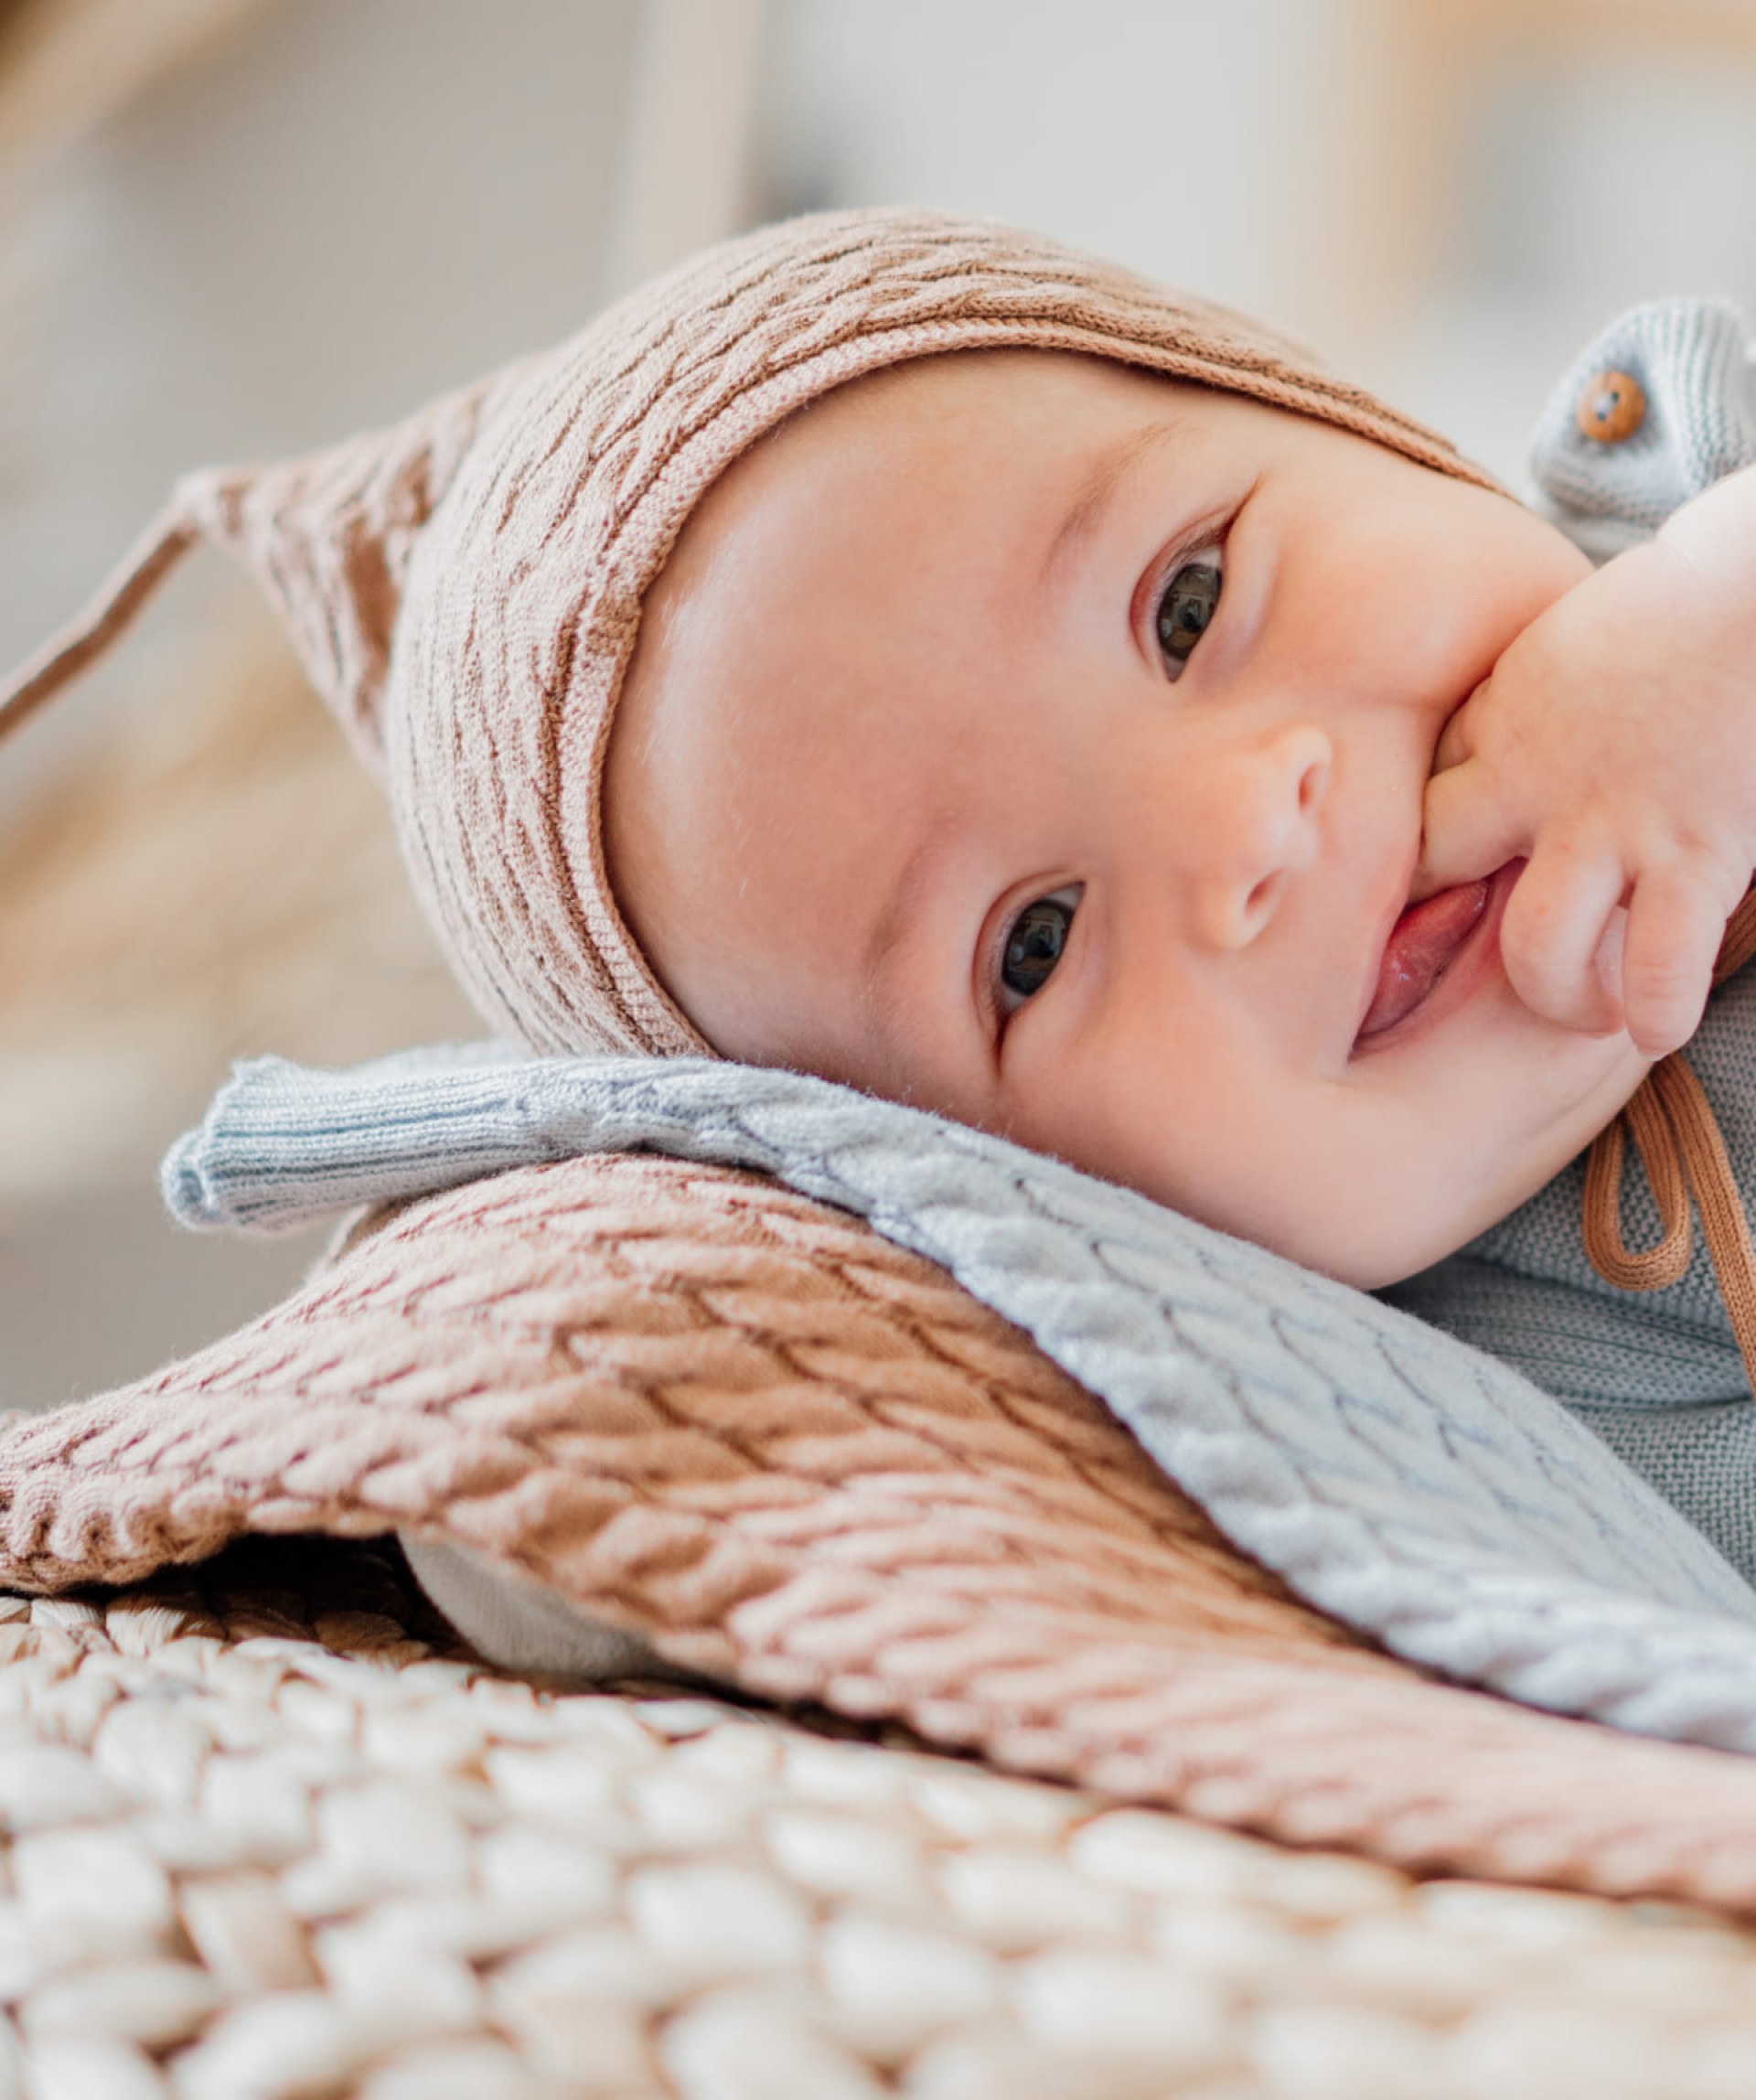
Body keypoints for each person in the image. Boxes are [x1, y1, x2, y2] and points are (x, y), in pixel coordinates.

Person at [3, 209, 1755, 1555]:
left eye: (1191, 603)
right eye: (1037, 947)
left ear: (1334, 419)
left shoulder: (1686, 501)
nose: (1247, 834)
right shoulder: (1472, 1424)